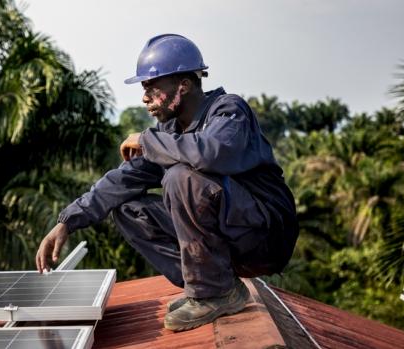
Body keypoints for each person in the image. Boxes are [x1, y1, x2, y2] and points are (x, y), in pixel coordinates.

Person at [35, 34, 298, 332]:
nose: (145, 96)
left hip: (265, 237)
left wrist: (146, 140)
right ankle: (211, 287)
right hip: (233, 238)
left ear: (183, 86)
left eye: (152, 86)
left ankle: (213, 293)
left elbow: (211, 153)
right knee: (126, 207)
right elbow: (123, 179)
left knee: (180, 176)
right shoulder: (169, 132)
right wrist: (67, 222)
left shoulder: (228, 111)